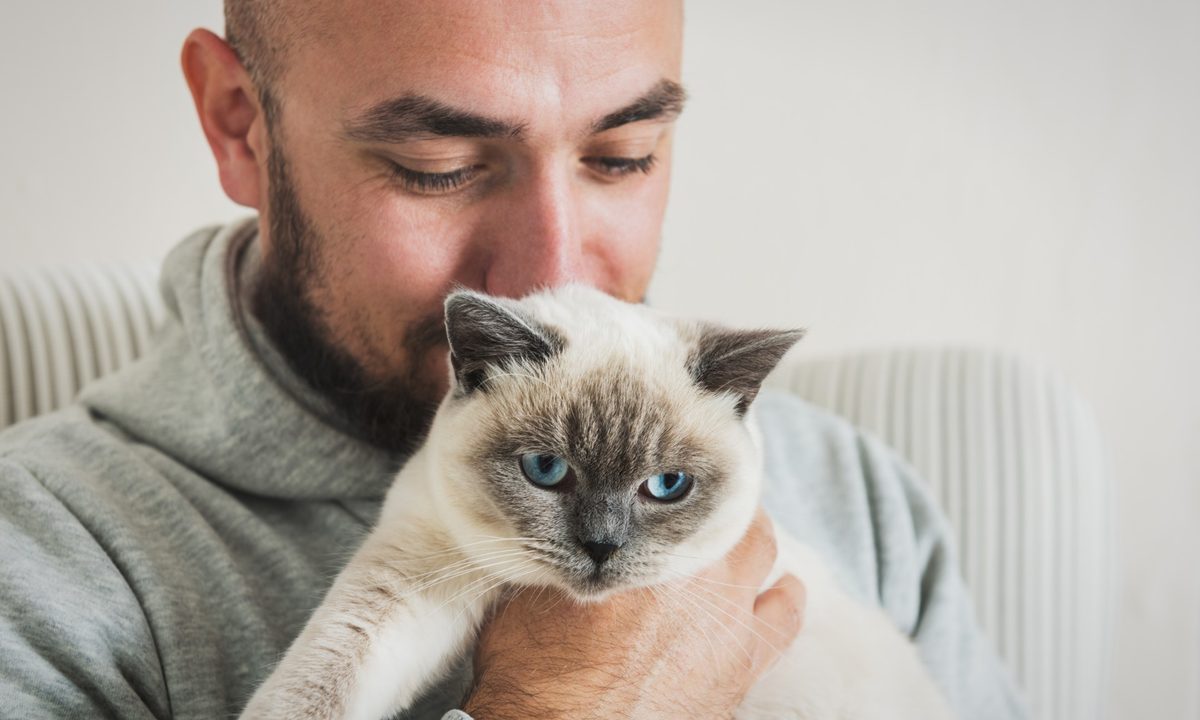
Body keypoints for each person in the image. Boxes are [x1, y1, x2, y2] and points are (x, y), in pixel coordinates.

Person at [0, 1, 1027, 718]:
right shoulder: (45, 558)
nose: (548, 269)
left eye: (622, 157)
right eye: (436, 167)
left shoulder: (860, 493)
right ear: (240, 125)